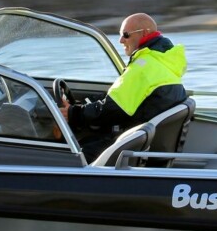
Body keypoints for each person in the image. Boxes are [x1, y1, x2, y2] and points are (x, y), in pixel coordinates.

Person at [59, 13, 187, 160]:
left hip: (131, 146)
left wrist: (73, 113)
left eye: (126, 35)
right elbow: (120, 98)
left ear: (144, 33)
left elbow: (112, 109)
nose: (121, 40)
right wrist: (83, 107)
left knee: (72, 155)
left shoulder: (142, 67)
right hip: (143, 141)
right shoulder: (162, 60)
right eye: (121, 35)